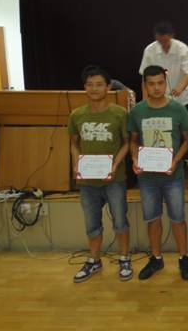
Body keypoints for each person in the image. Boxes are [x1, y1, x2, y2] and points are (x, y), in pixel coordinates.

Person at [129, 65, 188, 281]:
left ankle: (183, 258)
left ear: (166, 83)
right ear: (145, 85)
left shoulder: (178, 109)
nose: (156, 88)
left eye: (160, 83)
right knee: (153, 219)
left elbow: (187, 140)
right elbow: (133, 141)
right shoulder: (137, 111)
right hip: (147, 178)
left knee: (178, 219)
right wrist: (135, 158)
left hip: (172, 176)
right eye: (151, 84)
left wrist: (176, 160)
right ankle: (156, 258)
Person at [68, 66, 131, 283]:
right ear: (84, 87)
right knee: (91, 224)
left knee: (120, 221)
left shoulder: (120, 114)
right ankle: (94, 260)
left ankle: (124, 258)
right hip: (87, 181)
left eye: (99, 84)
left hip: (114, 179)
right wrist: (76, 163)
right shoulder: (77, 115)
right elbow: (74, 144)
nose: (94, 89)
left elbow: (127, 143)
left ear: (108, 87)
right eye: (90, 85)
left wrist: (115, 164)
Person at [139, 21, 188, 106]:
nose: (164, 44)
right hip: (157, 97)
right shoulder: (149, 50)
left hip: (181, 97)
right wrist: (145, 98)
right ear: (156, 37)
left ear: (171, 36)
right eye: (160, 41)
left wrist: (180, 88)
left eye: (166, 40)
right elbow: (144, 76)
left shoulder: (183, 49)